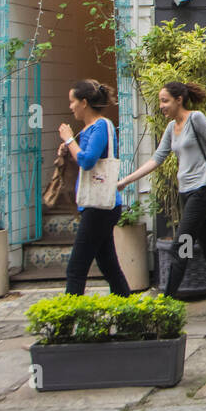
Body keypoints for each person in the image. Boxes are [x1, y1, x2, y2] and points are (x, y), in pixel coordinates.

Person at [117, 81, 206, 312]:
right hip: (186, 193)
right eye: (160, 101)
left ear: (179, 100)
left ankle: (166, 303)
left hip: (203, 190)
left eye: (165, 100)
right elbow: (157, 159)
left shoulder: (195, 118)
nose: (161, 106)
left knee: (182, 243)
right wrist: (126, 180)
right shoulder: (172, 127)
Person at [60, 80, 131, 297]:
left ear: (84, 102)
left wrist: (69, 139)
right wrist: (69, 147)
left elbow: (88, 160)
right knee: (109, 267)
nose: (70, 107)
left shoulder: (101, 125)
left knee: (76, 268)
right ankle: (128, 313)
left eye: (72, 102)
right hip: (96, 204)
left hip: (101, 207)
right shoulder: (89, 128)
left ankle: (67, 324)